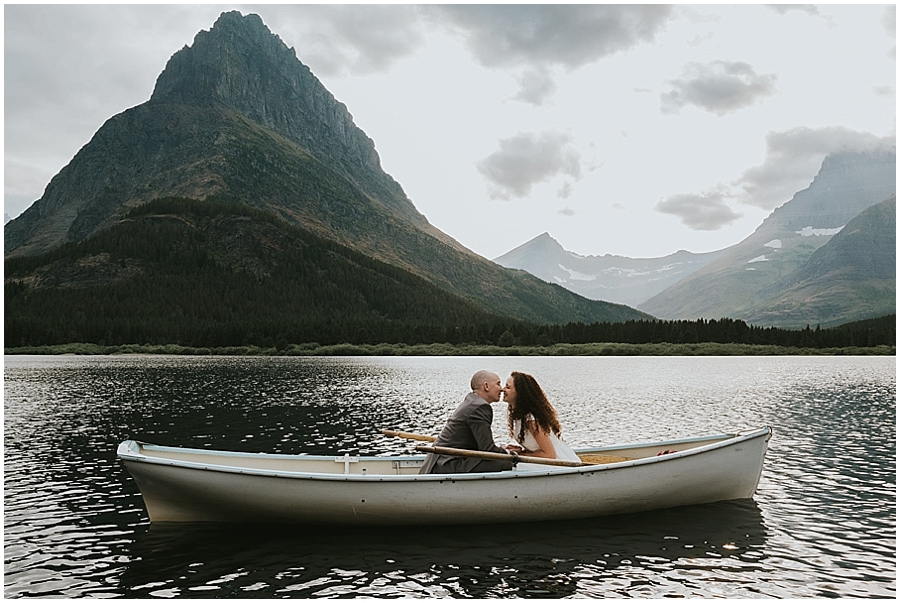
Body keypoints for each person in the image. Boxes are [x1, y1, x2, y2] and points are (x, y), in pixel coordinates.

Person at [419, 370, 516, 474]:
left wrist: (501, 449)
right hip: (448, 464)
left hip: (443, 460)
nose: (501, 389)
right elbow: (487, 449)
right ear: (486, 386)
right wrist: (509, 453)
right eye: (498, 383)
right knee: (507, 463)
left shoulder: (472, 401)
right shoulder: (480, 407)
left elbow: (483, 445)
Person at [502, 371, 580, 469]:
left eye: (508, 387)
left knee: (512, 466)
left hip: (557, 463)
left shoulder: (531, 419)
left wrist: (520, 456)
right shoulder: (519, 415)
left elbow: (549, 454)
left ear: (520, 393)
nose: (502, 389)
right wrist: (521, 451)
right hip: (545, 461)